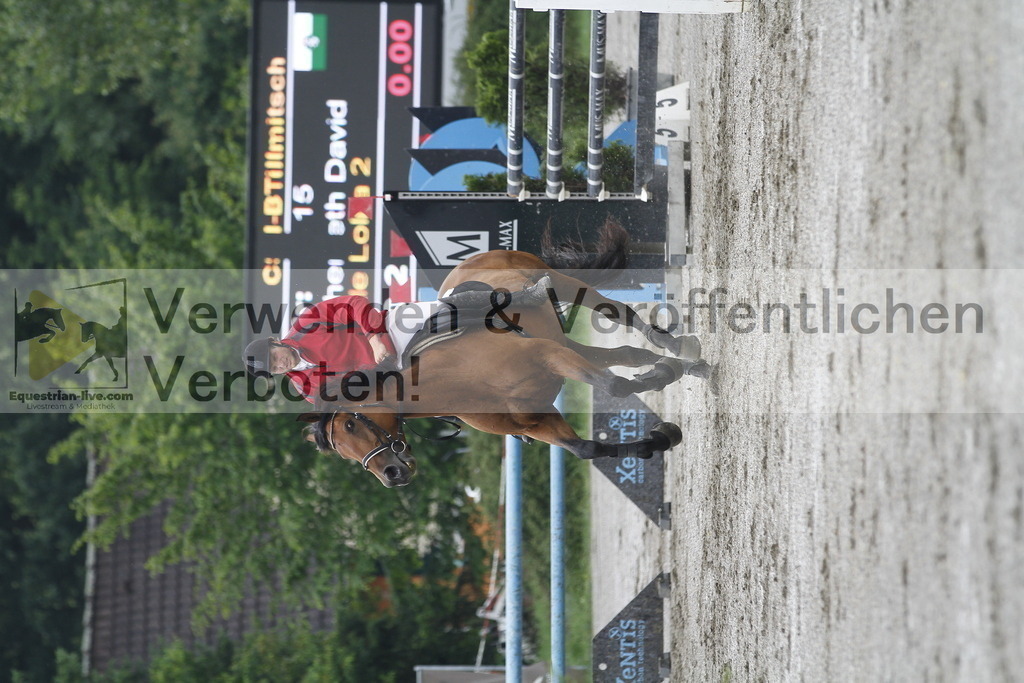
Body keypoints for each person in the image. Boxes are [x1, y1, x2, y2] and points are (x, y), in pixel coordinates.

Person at [243, 277, 551, 403]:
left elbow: (353, 303)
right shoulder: (307, 389)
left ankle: (525, 297)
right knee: (439, 402)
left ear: (275, 341)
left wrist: (375, 338)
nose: (280, 364)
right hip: (389, 377)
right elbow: (352, 399)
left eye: (274, 356)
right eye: (274, 368)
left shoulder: (306, 324)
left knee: (445, 306)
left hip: (391, 332)